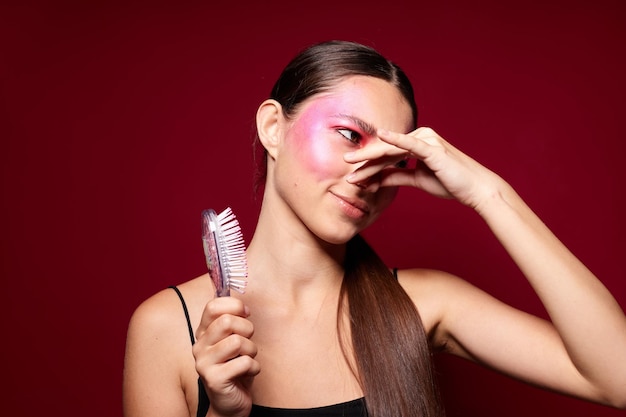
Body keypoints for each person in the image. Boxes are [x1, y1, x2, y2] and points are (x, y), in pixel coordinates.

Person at [122, 40, 626, 417]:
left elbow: (618, 378)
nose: (367, 173)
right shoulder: (170, 329)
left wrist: (486, 192)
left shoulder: (422, 305)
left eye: (390, 159)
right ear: (274, 128)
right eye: (349, 135)